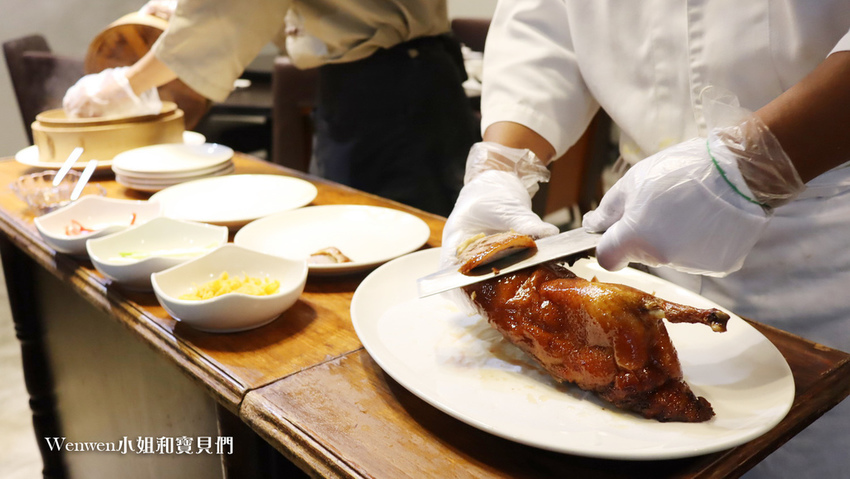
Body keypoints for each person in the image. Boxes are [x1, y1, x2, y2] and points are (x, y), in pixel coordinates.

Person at [440, 2, 850, 477]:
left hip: (820, 227)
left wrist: (758, 162)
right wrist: (501, 166)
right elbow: (542, 27)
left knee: (793, 453)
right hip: (645, 217)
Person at [63, 0, 480, 216]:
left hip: (391, 93)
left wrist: (124, 82)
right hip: (385, 82)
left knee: (403, 255)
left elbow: (225, 12)